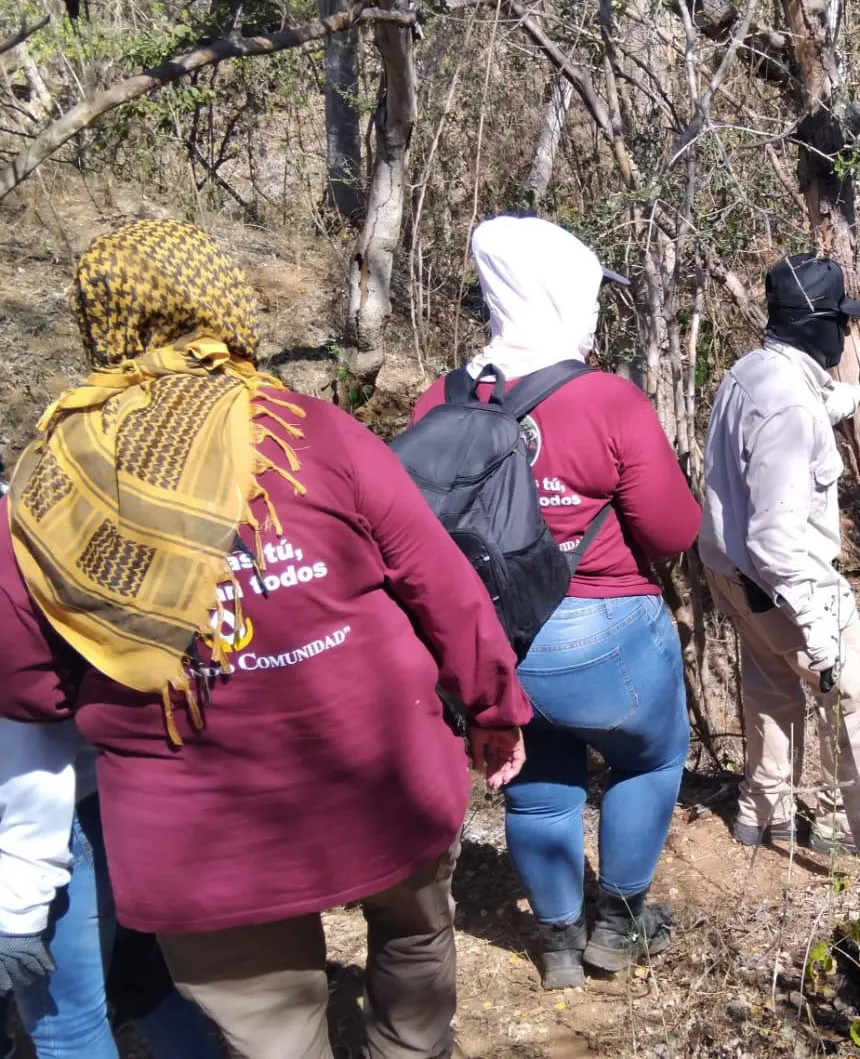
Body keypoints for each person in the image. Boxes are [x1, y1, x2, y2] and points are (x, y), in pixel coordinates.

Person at [0, 219, 529, 1059]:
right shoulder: (310, 431)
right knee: (415, 939)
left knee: (268, 1036)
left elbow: (26, 682)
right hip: (381, 779)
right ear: (219, 300)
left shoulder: (53, 477)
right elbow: (442, 584)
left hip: (198, 837)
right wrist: (494, 705)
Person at [411, 215, 701, 990]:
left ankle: (558, 943)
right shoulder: (608, 399)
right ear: (562, 294)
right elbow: (673, 531)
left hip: (490, 644)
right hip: (604, 634)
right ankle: (620, 921)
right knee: (652, 755)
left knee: (538, 780)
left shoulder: (434, 403)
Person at [699, 253, 860, 857]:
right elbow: (775, 535)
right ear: (813, 324)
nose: (848, 334)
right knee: (853, 691)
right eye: (841, 322)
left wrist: (838, 402)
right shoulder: (790, 408)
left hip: (730, 567)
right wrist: (820, 631)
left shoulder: (754, 371)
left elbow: (776, 435)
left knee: (772, 685)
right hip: (780, 575)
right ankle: (847, 823)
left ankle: (762, 808)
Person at [0, 720, 218, 1059]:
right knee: (135, 971)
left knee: (66, 1026)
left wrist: (20, 915)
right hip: (87, 797)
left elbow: (29, 757)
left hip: (42, 833)